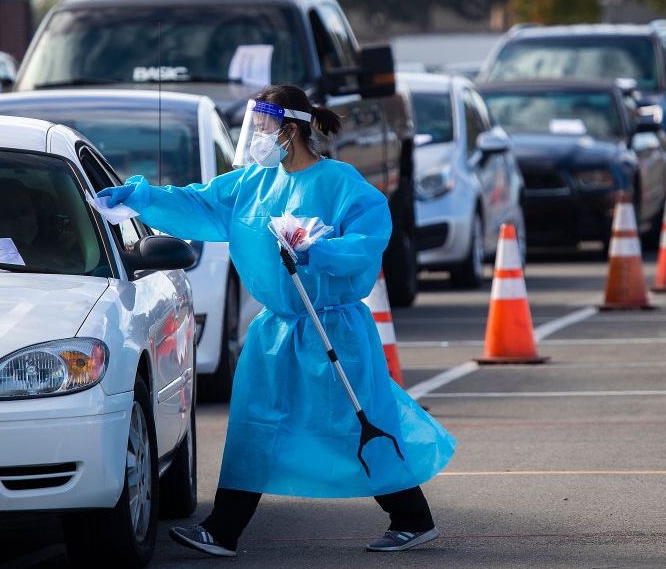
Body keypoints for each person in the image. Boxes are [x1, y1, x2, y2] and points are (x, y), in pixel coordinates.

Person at [97, 84, 455, 557]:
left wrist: (316, 250)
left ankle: (411, 517)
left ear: (289, 130)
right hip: (277, 331)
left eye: (263, 128)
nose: (255, 138)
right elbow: (199, 202)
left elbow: (370, 240)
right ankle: (224, 529)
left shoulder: (341, 183)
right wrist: (141, 199)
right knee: (255, 421)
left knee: (356, 418)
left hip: (333, 328)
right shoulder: (252, 183)